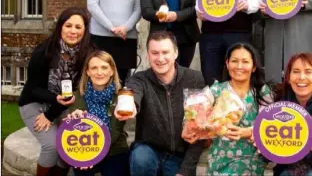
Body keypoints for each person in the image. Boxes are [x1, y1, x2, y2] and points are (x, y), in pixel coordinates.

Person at [116, 31, 206, 176]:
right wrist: (130, 104)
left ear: (175, 53)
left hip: (180, 156)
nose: (160, 58)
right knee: (140, 157)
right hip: (148, 151)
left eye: (165, 52)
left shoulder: (195, 79)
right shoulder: (140, 79)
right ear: (148, 55)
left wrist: (185, 171)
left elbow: (201, 131)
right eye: (155, 53)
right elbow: (133, 91)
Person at [18, 7, 94, 176]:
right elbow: (33, 88)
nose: (73, 31)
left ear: (85, 30)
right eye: (68, 26)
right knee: (51, 146)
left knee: (69, 147)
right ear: (60, 27)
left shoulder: (88, 54)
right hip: (34, 101)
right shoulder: (44, 51)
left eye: (78, 27)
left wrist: (51, 113)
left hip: (66, 103)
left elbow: (78, 91)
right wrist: (52, 105)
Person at [183, 43, 273, 176]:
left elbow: (270, 127)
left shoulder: (263, 93)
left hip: (251, 160)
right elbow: (194, 112)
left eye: (245, 62)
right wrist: (188, 126)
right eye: (234, 61)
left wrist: (247, 132)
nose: (239, 66)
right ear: (227, 63)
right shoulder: (216, 90)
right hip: (220, 158)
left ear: (253, 66)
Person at [66, 50, 129, 176]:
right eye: (94, 68)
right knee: (81, 166)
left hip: (115, 149)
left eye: (104, 67)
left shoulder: (122, 97)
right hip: (86, 148)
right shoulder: (76, 97)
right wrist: (72, 119)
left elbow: (116, 130)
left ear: (112, 71)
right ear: (88, 72)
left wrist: (96, 154)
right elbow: (75, 131)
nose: (99, 73)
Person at [87, 0, 141, 84]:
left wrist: (125, 28)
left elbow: (138, 9)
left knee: (121, 80)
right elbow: (92, 5)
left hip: (125, 38)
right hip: (101, 37)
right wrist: (111, 27)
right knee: (99, 77)